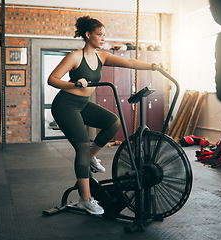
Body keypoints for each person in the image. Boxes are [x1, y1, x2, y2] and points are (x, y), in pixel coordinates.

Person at [48, 16, 162, 215]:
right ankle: (85, 199)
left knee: (113, 122)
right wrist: (74, 83)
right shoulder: (75, 57)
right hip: (65, 106)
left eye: (103, 35)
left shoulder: (102, 57)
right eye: (99, 34)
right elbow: (52, 79)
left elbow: (127, 61)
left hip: (83, 104)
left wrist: (153, 67)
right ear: (88, 35)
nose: (102, 38)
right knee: (82, 146)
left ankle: (90, 158)